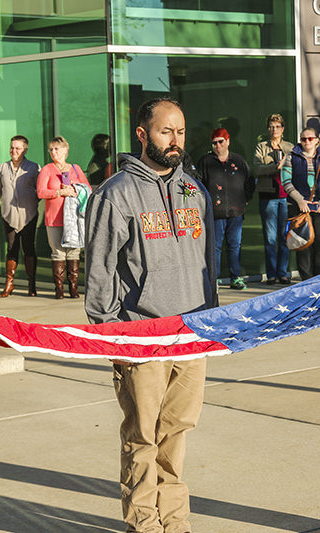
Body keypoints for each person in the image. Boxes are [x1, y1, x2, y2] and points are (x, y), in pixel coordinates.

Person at [85, 97, 217, 533]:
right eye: (166, 131)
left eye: (180, 131)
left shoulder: (193, 191)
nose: (175, 140)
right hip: (141, 336)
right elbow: (100, 271)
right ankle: (143, 524)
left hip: (191, 334)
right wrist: (110, 336)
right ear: (143, 135)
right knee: (142, 438)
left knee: (175, 436)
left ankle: (176, 524)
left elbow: (207, 263)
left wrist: (210, 325)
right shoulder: (115, 195)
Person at [197, 127, 254, 290]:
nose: (217, 145)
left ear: (228, 141)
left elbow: (250, 181)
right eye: (214, 143)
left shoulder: (239, 161)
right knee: (214, 247)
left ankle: (235, 277)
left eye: (220, 141)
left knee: (234, 245)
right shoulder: (205, 162)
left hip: (236, 211)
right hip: (215, 213)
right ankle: (213, 279)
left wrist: (246, 199)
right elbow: (198, 184)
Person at [36, 135, 90, 299]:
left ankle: (73, 288)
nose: (53, 152)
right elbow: (40, 192)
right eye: (51, 149)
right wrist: (60, 192)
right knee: (58, 253)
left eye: (56, 149)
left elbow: (87, 188)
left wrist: (74, 188)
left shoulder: (75, 169)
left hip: (73, 219)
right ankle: (59, 289)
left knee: (73, 252)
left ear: (66, 150)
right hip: (54, 219)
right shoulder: (47, 169)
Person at [281, 128, 320, 280]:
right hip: (299, 209)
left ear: (317, 140)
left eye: (310, 139)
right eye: (304, 139)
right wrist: (299, 199)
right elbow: (286, 181)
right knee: (303, 245)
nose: (307, 142)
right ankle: (306, 281)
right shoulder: (291, 156)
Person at [0, 135, 40, 298]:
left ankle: (31, 284)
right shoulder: (2, 168)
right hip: (9, 215)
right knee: (11, 248)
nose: (14, 151)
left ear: (25, 149)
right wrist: (8, 202)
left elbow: (39, 191)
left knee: (29, 248)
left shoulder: (34, 168)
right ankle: (9, 283)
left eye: (18, 148)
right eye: (12, 147)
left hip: (28, 214)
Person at [253, 113, 295, 284]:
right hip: (268, 196)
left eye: (277, 126)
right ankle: (271, 274)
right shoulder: (261, 147)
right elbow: (256, 169)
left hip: (286, 196)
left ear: (283, 129)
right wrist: (274, 167)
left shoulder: (290, 147)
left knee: (284, 237)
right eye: (271, 126)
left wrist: (286, 165)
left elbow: (296, 170)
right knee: (270, 238)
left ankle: (283, 272)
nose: (274, 129)